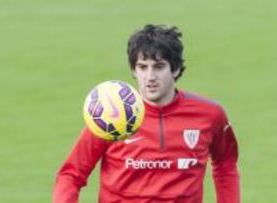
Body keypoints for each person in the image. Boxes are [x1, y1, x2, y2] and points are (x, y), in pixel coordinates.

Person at [53, 24, 240, 203]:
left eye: (158, 67)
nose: (150, 77)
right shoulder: (110, 116)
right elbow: (71, 175)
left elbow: (225, 165)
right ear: (134, 70)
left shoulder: (209, 115)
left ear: (175, 69)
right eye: (143, 67)